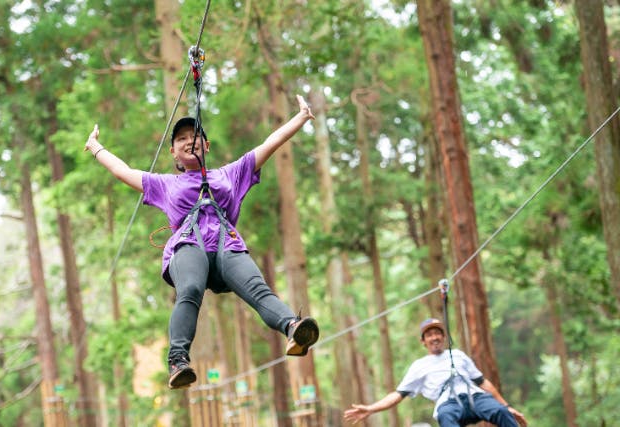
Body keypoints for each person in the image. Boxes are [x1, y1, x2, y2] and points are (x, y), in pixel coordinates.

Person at [84, 94, 320, 389]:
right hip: (188, 245)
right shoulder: (166, 184)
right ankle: (178, 360)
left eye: (195, 135)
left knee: (257, 288)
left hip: (226, 245)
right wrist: (95, 147)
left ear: (206, 146)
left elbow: (268, 145)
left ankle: (293, 329)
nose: (189, 140)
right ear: (173, 152)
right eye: (181, 138)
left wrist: (299, 118)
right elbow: (123, 171)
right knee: (191, 288)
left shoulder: (231, 174)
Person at [343, 318, 527, 427]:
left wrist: (507, 405)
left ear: (444, 337)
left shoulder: (458, 355)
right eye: (429, 335)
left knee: (501, 412)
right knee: (446, 417)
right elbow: (398, 395)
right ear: (423, 341)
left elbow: (483, 382)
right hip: (449, 402)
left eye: (437, 333)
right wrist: (371, 408)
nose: (434, 337)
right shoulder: (419, 365)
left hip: (474, 397)